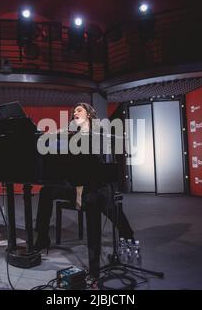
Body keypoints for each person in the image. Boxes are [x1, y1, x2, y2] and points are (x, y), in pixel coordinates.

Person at [34, 102, 134, 279]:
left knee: (105, 204)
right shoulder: (71, 132)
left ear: (89, 114)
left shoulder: (99, 131)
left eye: (79, 110)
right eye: (73, 111)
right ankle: (42, 237)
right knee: (46, 192)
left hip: (96, 185)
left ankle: (127, 234)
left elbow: (100, 161)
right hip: (77, 185)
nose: (75, 113)